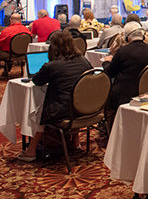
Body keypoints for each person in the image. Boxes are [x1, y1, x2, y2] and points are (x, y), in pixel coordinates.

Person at [17, 30, 93, 161]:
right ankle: (75, 141)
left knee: (37, 111)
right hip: (85, 109)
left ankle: (31, 151)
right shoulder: (83, 61)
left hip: (62, 112)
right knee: (75, 99)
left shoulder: (52, 66)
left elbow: (37, 81)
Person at [102, 22, 148, 112]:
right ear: (143, 37)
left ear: (127, 38)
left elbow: (110, 73)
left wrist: (106, 63)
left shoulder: (122, 52)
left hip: (125, 94)